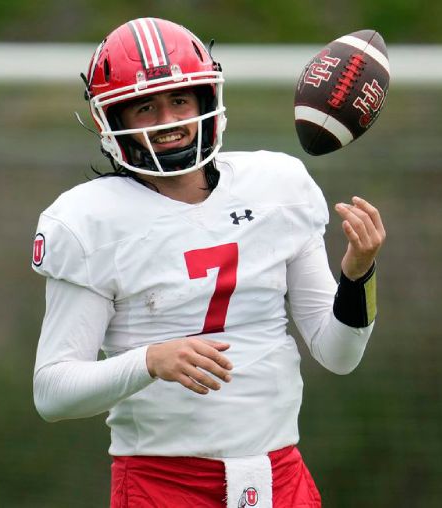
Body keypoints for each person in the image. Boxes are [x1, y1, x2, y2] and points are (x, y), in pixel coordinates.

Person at [31, 17, 385, 508]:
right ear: (112, 122)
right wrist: (150, 361)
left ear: (206, 99)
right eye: (146, 107)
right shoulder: (88, 219)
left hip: (281, 476)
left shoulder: (278, 186)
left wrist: (357, 274)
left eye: (179, 100)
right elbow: (53, 392)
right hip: (162, 482)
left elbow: (339, 354)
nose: (169, 120)